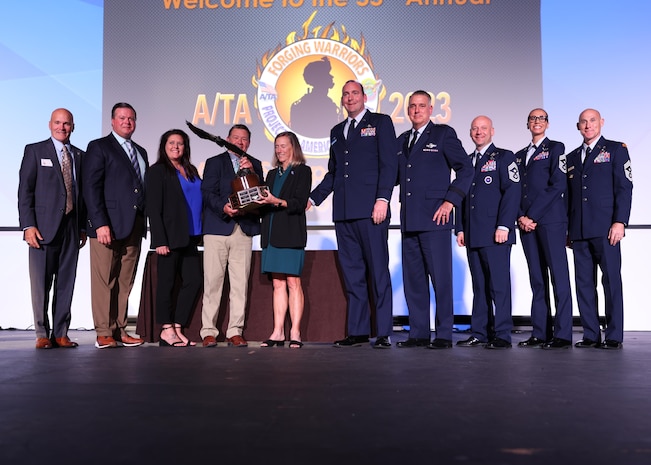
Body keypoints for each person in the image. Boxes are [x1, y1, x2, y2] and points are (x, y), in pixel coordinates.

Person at [309, 80, 398, 348]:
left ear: (364, 96)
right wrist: (313, 198)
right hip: (344, 212)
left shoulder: (381, 123)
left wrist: (383, 199)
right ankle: (358, 331)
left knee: (378, 272)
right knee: (353, 274)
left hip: (372, 211)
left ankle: (383, 332)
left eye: (354, 93)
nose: (350, 98)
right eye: (345, 94)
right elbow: (334, 172)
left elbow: (389, 164)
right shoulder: (336, 130)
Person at [396, 91, 473, 349]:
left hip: (435, 218)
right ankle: (418, 333)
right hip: (409, 219)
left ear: (430, 109)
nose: (416, 111)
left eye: (421, 106)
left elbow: (466, 169)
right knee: (414, 280)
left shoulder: (443, 134)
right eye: (412, 107)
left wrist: (451, 201)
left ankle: (443, 334)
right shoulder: (403, 140)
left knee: (441, 279)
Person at [18, 108, 87, 349]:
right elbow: (25, 192)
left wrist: (82, 227)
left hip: (71, 227)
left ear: (73, 126)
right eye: (57, 123)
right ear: (50, 124)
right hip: (42, 229)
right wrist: (28, 226)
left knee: (66, 282)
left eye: (66, 123)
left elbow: (83, 195)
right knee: (41, 283)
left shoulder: (80, 155)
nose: (62, 127)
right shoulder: (35, 151)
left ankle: (60, 333)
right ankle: (41, 333)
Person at [567, 109, 633, 350]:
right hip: (579, 230)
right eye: (583, 122)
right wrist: (568, 229)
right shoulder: (572, 157)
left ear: (601, 123)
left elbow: (624, 188)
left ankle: (614, 335)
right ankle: (591, 334)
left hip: (607, 229)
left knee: (611, 282)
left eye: (592, 121)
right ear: (578, 126)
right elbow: (570, 198)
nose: (588, 125)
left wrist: (620, 222)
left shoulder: (616, 150)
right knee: (584, 284)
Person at [83, 102, 147, 349]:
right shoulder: (99, 147)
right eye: (122, 118)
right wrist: (100, 223)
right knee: (104, 281)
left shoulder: (140, 151)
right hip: (106, 226)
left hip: (134, 226)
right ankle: (103, 331)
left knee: (125, 281)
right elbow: (91, 187)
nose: (127, 122)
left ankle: (120, 329)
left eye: (131, 118)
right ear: (112, 121)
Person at [456, 115, 520, 349]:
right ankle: (480, 332)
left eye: (483, 128)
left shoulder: (504, 157)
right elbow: (460, 196)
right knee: (479, 286)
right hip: (473, 234)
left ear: (492, 131)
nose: (479, 132)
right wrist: (460, 228)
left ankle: (502, 334)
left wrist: (504, 225)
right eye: (474, 128)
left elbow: (512, 192)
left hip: (496, 234)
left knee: (499, 286)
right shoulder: (466, 161)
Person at [515, 109, 574, 349]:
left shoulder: (556, 149)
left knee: (559, 279)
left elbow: (557, 185)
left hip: (550, 222)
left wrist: (532, 215)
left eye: (541, 118)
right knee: (537, 279)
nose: (537, 121)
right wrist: (520, 216)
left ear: (547, 124)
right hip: (526, 225)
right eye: (532, 118)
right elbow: (513, 191)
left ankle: (562, 335)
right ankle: (540, 332)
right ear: (527, 124)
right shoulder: (518, 156)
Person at [200, 124, 263, 348]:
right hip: (218, 228)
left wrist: (252, 173)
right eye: (236, 138)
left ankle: (235, 330)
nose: (240, 142)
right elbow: (207, 193)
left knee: (239, 284)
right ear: (227, 139)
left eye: (244, 139)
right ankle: (209, 331)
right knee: (213, 282)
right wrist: (223, 207)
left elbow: (260, 194)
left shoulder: (254, 164)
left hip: (243, 230)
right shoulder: (214, 162)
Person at [255, 132, 312, 349]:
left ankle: (295, 332)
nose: (279, 150)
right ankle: (278, 331)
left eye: (283, 146)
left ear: (293, 148)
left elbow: (299, 203)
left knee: (292, 282)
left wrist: (276, 201)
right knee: (277, 284)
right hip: (270, 233)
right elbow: (265, 202)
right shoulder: (271, 174)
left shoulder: (303, 171)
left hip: (290, 233)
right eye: (276, 146)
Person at [146, 129, 202, 347]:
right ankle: (166, 329)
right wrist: (159, 240)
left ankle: (177, 326)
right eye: (172, 142)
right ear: (164, 145)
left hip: (191, 235)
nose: (176, 146)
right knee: (167, 284)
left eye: (180, 143)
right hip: (169, 237)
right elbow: (153, 207)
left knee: (193, 280)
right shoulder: (157, 171)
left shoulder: (191, 170)